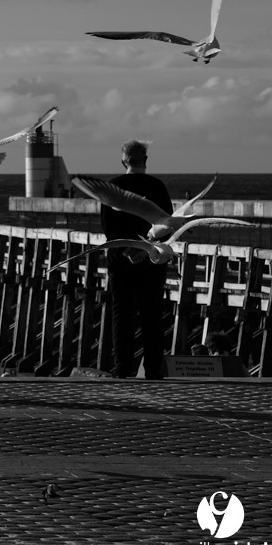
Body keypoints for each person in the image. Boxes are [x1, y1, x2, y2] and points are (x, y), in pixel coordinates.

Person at [102, 139, 173, 379]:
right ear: (145, 160)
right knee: (151, 312)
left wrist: (127, 250)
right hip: (151, 258)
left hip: (121, 259)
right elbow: (167, 224)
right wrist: (144, 250)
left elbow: (108, 227)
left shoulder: (114, 186)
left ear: (123, 160)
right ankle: (153, 370)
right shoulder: (157, 186)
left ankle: (123, 368)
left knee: (122, 313)